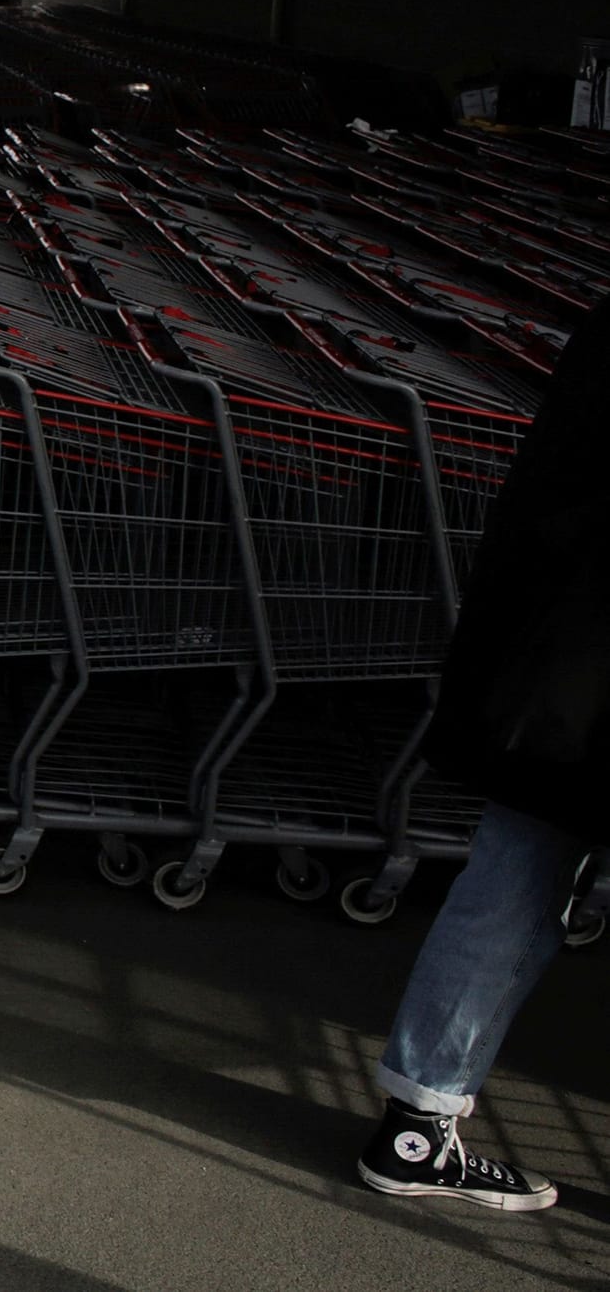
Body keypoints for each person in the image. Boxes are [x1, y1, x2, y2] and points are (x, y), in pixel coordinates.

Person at [350, 295, 610, 1214]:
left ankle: (416, 1126)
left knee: (511, 874)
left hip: (558, 659)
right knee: (516, 876)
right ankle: (417, 1134)